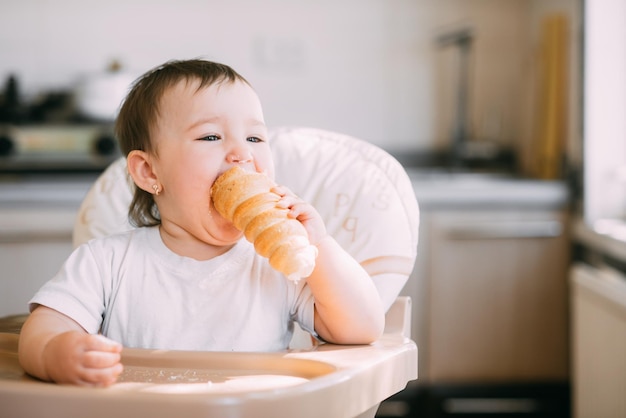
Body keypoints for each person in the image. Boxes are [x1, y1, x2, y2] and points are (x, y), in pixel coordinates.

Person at [17, 59, 385, 387]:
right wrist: (58, 355)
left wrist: (319, 247)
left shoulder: (276, 265)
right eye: (211, 136)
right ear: (148, 171)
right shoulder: (106, 262)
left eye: (255, 137)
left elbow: (361, 328)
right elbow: (40, 332)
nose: (242, 153)